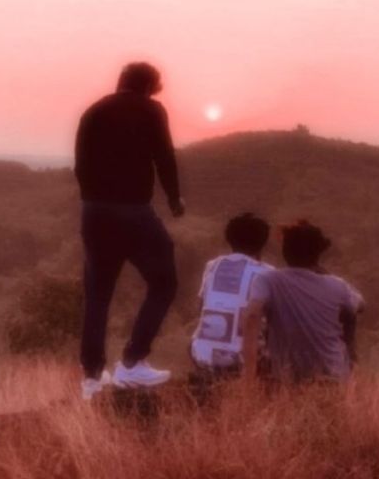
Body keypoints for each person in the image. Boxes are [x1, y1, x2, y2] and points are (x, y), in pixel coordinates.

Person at [74, 62, 185, 399]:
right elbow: (164, 157)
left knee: (98, 293)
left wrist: (94, 200)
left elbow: (80, 166)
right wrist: (174, 198)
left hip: (94, 212)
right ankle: (133, 362)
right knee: (164, 282)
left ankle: (93, 378)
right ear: (151, 86)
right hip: (133, 211)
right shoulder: (151, 110)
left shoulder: (93, 111)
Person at [244, 220, 364, 385]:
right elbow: (360, 305)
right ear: (318, 253)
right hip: (332, 379)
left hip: (285, 379)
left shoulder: (268, 280)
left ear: (285, 251)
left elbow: (252, 314)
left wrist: (249, 374)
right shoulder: (338, 286)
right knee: (348, 314)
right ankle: (351, 365)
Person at [189, 213, 273, 394]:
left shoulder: (213, 265)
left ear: (229, 239)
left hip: (201, 356)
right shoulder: (269, 273)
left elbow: (200, 307)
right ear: (263, 243)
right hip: (244, 362)